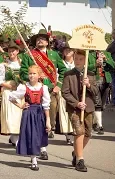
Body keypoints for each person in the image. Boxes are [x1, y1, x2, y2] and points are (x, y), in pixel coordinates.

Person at [20, 29, 67, 160]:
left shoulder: (54, 55)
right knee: (35, 121)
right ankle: (42, 149)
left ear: (47, 42)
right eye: (38, 38)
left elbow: (63, 70)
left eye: (43, 38)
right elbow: (23, 72)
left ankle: (43, 143)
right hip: (34, 91)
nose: (40, 40)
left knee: (47, 119)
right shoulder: (29, 55)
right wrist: (33, 77)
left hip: (50, 90)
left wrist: (59, 85)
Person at [62, 49, 99, 172]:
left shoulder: (91, 75)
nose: (78, 61)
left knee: (88, 133)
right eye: (76, 59)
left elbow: (96, 92)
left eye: (81, 59)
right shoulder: (68, 74)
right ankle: (80, 160)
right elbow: (65, 93)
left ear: (85, 61)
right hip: (74, 109)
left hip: (88, 107)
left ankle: (76, 152)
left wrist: (88, 85)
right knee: (79, 132)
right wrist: (76, 103)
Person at [9, 65, 51, 171]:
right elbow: (11, 97)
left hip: (39, 113)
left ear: (39, 75)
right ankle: (34, 160)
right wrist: (21, 106)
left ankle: (39, 152)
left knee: (38, 136)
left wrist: (48, 120)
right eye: (30, 73)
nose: (31, 76)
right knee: (31, 136)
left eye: (34, 73)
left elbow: (46, 105)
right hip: (28, 114)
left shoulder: (43, 88)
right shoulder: (24, 87)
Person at [0, 40, 23, 146]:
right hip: (9, 92)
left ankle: (14, 137)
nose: (11, 52)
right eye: (9, 50)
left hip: (21, 92)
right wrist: (10, 86)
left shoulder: (22, 64)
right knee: (11, 115)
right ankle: (15, 138)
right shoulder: (3, 65)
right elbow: (0, 81)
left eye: (13, 50)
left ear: (17, 51)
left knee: (19, 115)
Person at [88, 50, 115, 135]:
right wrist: (95, 64)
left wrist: (106, 59)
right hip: (95, 81)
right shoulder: (90, 55)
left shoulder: (108, 54)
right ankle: (100, 125)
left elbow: (114, 67)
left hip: (105, 81)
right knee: (97, 103)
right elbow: (85, 68)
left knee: (102, 104)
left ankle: (95, 123)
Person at [57, 44, 74, 145]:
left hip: (76, 90)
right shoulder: (59, 63)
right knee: (64, 111)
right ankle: (68, 134)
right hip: (63, 89)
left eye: (70, 49)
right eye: (65, 50)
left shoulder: (78, 62)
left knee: (74, 111)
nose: (67, 51)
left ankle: (74, 131)